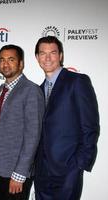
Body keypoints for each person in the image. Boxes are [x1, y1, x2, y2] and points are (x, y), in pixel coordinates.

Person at [34, 36, 100, 200]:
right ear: (37, 58)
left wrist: (78, 165)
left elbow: (90, 126)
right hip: (41, 171)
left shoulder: (77, 82)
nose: (48, 58)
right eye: (43, 53)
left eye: (53, 53)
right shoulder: (38, 91)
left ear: (61, 56)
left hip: (68, 169)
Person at [0, 44, 44, 200]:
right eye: (2, 60)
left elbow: (33, 135)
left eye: (11, 59)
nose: (5, 64)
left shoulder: (31, 90)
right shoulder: (0, 90)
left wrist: (20, 173)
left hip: (17, 171)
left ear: (21, 64)